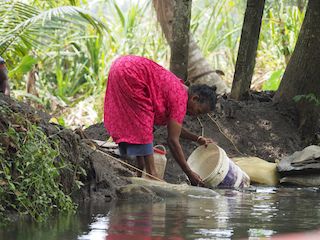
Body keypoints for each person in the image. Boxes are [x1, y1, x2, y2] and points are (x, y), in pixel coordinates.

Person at [104, 55, 217, 186]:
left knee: (139, 122)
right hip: (130, 72)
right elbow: (172, 140)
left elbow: (174, 128)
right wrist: (189, 173)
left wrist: (197, 138)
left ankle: (140, 172)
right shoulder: (180, 99)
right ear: (195, 98)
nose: (195, 116)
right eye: (199, 111)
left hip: (120, 65)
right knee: (144, 121)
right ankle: (152, 174)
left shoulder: (179, 91)